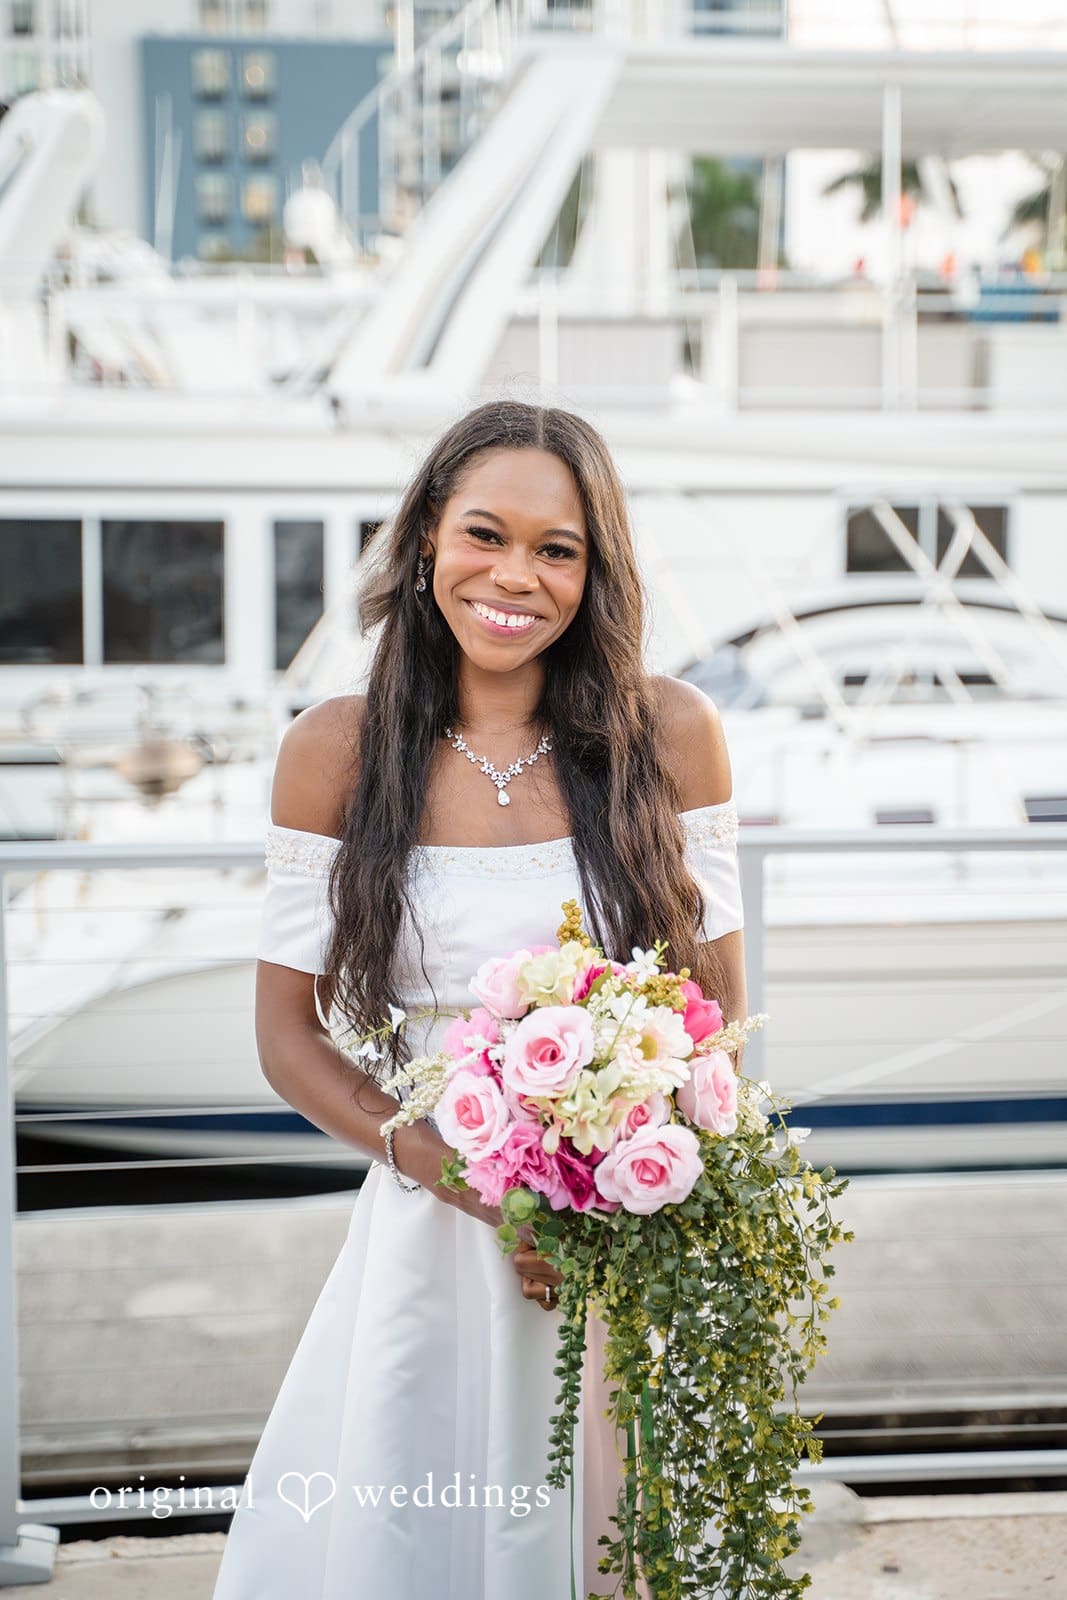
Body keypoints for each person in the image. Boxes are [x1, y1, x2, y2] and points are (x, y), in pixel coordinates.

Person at [211, 400, 747, 1600]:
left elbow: (719, 1028)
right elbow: (284, 1038)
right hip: (427, 1231)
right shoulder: (334, 752)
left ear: (593, 571)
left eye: (556, 549)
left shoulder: (672, 735)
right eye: (482, 534)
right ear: (424, 545)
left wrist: (616, 1188)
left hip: (619, 1238)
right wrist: (470, 1182)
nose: (515, 575)